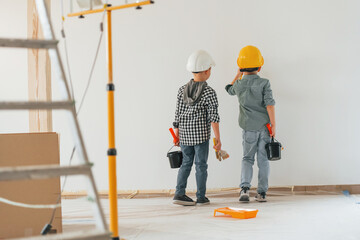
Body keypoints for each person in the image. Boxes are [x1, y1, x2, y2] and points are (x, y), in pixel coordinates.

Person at [225, 45, 276, 202]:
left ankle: (245, 189)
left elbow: (228, 89)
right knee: (263, 160)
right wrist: (273, 125)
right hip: (264, 128)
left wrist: (238, 74)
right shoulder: (265, 83)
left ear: (241, 67)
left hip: (248, 128)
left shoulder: (239, 85)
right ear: (260, 66)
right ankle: (261, 193)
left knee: (247, 158)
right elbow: (269, 104)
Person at [172, 50, 222, 206]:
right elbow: (213, 118)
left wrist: (176, 134)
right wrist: (218, 139)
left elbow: (178, 114)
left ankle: (179, 194)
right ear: (207, 71)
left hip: (185, 136)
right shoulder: (209, 92)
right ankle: (201, 197)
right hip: (201, 136)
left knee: (186, 163)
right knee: (201, 165)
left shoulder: (181, 90)